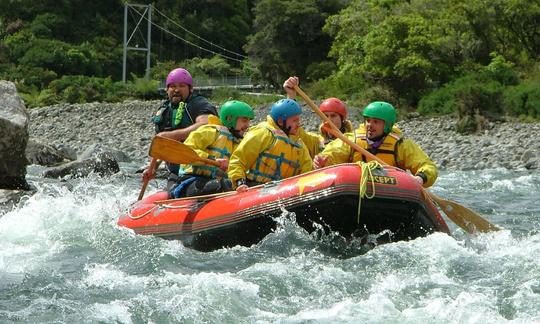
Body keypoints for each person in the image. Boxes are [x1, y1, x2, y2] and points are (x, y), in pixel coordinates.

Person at [313, 101, 438, 188]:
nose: (369, 125)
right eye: (367, 121)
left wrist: (421, 177)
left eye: (376, 122)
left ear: (387, 125)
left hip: (390, 191)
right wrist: (324, 160)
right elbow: (334, 152)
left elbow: (426, 165)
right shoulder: (351, 140)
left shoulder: (401, 145)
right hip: (356, 188)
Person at [142, 67, 218, 191]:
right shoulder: (164, 111)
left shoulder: (199, 104)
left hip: (203, 169)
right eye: (172, 86)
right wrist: (152, 168)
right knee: (172, 193)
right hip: (177, 171)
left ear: (190, 89)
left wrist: (171, 136)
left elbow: (205, 124)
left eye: (182, 86)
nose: (176, 90)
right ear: (167, 90)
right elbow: (160, 146)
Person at [169, 100, 254, 198]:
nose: (247, 125)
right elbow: (186, 151)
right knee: (223, 184)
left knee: (235, 184)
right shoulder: (209, 131)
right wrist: (212, 159)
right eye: (244, 120)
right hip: (191, 181)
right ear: (230, 119)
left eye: (248, 121)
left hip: (216, 180)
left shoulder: (238, 142)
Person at [227, 98, 313, 193]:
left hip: (284, 191)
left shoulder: (299, 144)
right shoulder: (263, 133)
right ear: (280, 121)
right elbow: (238, 159)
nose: (298, 124)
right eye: (294, 121)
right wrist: (240, 182)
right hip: (255, 187)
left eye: (298, 120)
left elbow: (307, 170)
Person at [282, 76, 353, 157]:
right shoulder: (317, 142)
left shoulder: (353, 142)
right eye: (325, 116)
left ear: (342, 119)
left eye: (333, 116)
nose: (329, 120)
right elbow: (293, 130)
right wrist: (291, 96)